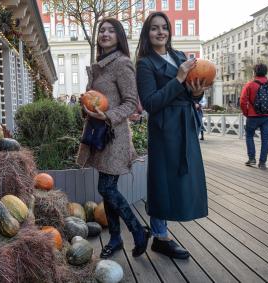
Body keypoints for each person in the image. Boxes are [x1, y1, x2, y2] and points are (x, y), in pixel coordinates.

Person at [136, 12, 209, 259]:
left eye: (164, 27)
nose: (160, 32)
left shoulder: (179, 56)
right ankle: (161, 236)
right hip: (164, 128)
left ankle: (163, 231)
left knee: (184, 177)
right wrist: (178, 78)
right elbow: (150, 103)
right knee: (162, 181)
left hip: (185, 124)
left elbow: (190, 95)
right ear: (147, 33)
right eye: (154, 28)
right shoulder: (145, 63)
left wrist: (197, 93)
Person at [77, 18, 150, 259]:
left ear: (119, 36)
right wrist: (85, 105)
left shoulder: (122, 64)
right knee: (109, 191)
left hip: (114, 136)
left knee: (105, 187)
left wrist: (107, 115)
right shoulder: (99, 65)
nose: (105, 33)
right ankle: (116, 239)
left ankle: (137, 230)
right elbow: (94, 98)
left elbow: (131, 103)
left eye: (110, 30)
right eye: (102, 30)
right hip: (99, 135)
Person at [240, 63, 268, 169]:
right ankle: (262, 163)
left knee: (249, 136)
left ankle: (252, 159)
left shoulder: (249, 84)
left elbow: (242, 101)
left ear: (254, 72)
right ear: (266, 72)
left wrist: (246, 113)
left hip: (253, 116)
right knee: (265, 139)